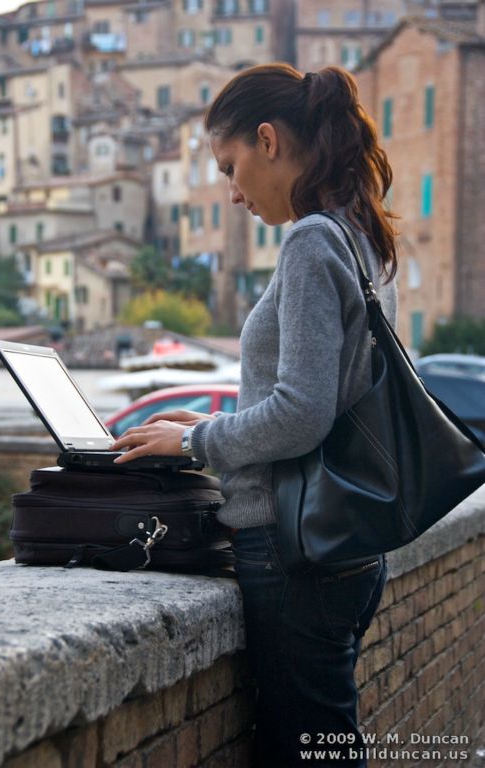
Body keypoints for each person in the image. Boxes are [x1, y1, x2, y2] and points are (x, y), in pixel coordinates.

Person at [111, 63, 398, 767]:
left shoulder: (309, 241)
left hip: (296, 551)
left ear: (268, 140)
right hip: (342, 543)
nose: (232, 192)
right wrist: (210, 419)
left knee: (310, 754)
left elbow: (302, 416)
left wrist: (196, 439)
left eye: (230, 166)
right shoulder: (352, 233)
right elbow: (317, 397)